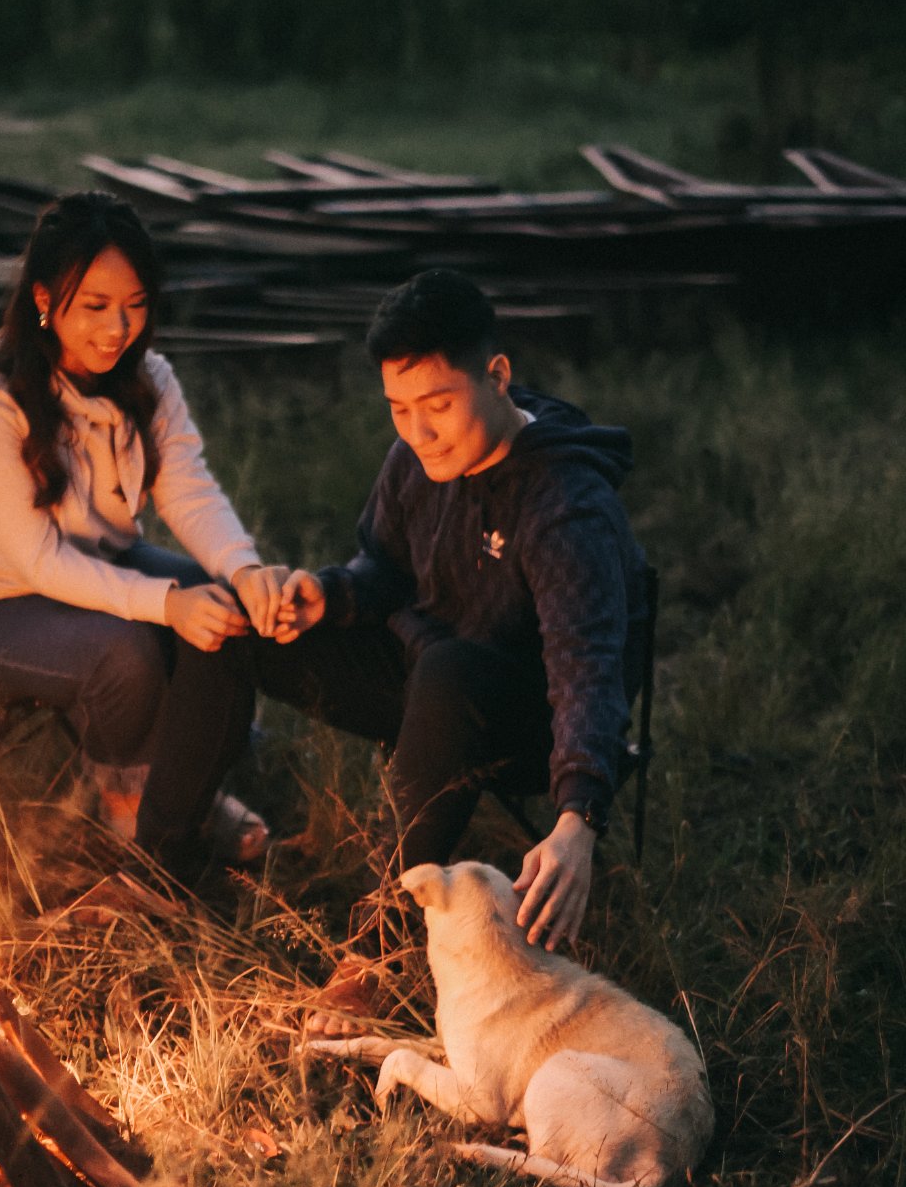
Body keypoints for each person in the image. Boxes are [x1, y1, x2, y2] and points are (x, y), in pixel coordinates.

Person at [257, 267, 649, 1028]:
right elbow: (385, 568)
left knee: (450, 671)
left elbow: (588, 669)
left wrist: (578, 817)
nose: (418, 431)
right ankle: (162, 855)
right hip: (429, 681)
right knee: (241, 623)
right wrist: (331, 595)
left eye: (438, 405)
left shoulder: (564, 504)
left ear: (497, 376)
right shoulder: (417, 457)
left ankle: (373, 950)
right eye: (399, 409)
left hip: (524, 725)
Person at [0, 190, 286, 883]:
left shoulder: (147, 378)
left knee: (215, 598)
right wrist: (164, 605)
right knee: (126, 651)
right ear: (44, 299)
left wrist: (243, 569)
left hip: (97, 566)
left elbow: (186, 487)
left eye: (136, 304)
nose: (118, 329)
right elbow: (40, 562)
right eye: (94, 305)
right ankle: (135, 822)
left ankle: (192, 792)